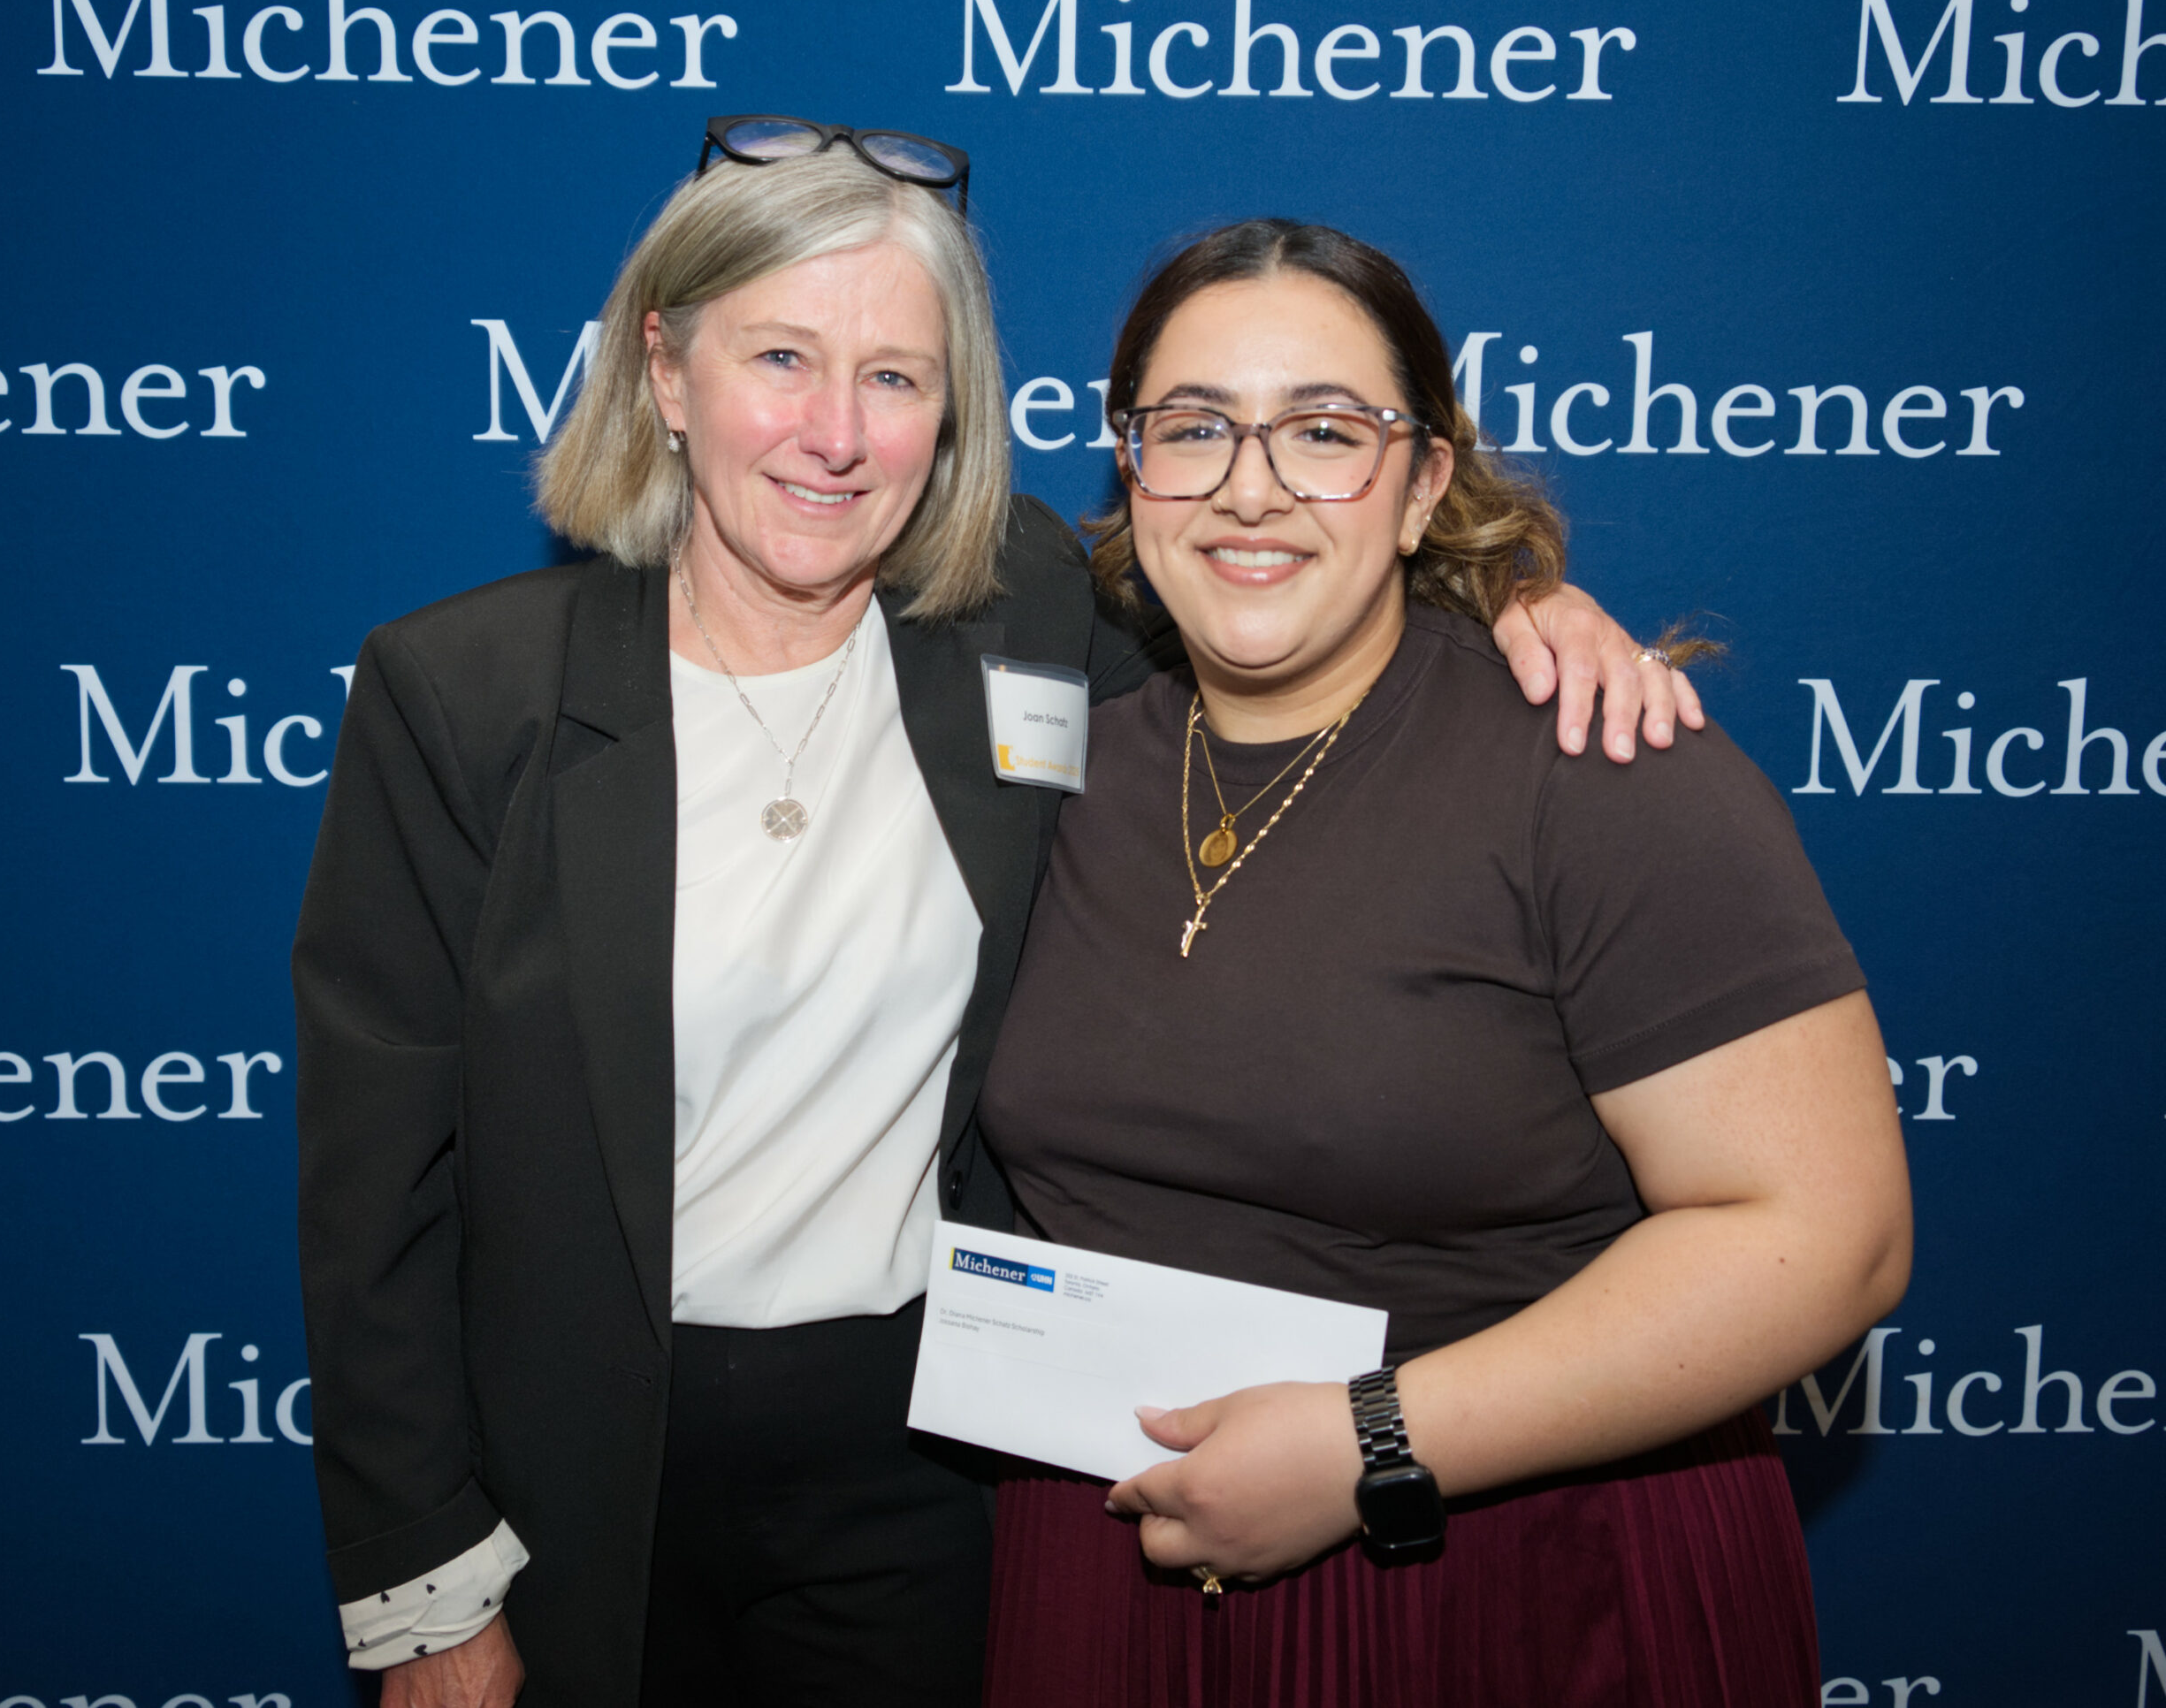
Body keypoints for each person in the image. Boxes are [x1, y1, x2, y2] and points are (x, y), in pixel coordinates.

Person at [292, 126, 1698, 1708]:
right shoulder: (464, 694)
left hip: (936, 1459)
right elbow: (376, 1191)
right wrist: (429, 1598)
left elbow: (1281, 577)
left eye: (897, 376)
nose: (838, 434)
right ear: (665, 371)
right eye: (781, 358)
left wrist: (1513, 599)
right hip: (580, 1466)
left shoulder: (1020, 601)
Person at [975, 218, 1915, 1708]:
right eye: (1195, 427)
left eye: (1326, 433)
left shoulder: (1598, 765)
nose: (1252, 486)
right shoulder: (1071, 753)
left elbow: (1828, 1234)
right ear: (1129, 464)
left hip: (1512, 1578)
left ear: (1422, 484)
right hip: (1110, 1568)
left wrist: (1375, 1443)